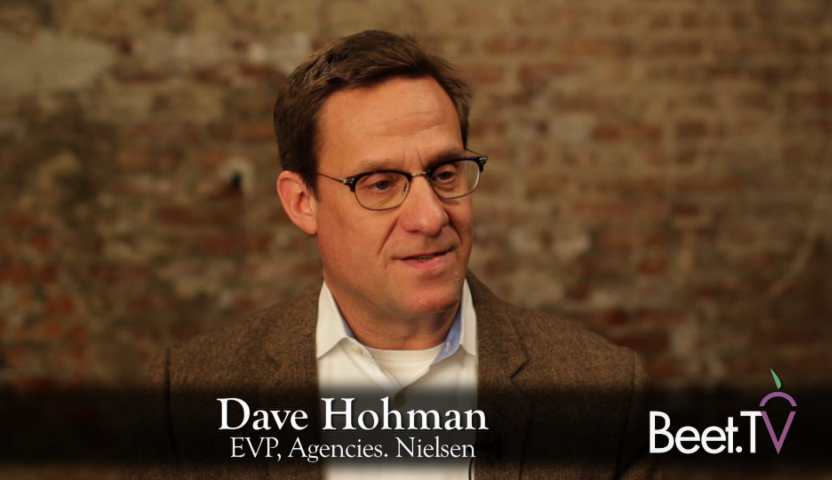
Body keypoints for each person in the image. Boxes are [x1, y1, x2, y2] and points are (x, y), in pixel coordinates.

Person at [128, 30, 659, 479]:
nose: (430, 217)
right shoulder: (186, 400)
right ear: (302, 202)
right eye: (380, 184)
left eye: (445, 173)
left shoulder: (607, 394)